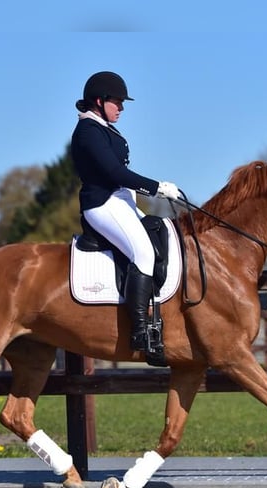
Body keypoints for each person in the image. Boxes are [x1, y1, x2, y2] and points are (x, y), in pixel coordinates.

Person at [70, 70, 181, 356]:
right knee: (142, 253)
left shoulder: (105, 128)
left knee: (161, 233)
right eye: (117, 102)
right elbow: (115, 172)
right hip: (102, 204)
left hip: (121, 201)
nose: (121, 107)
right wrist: (156, 187)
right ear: (99, 100)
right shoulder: (88, 131)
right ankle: (140, 331)